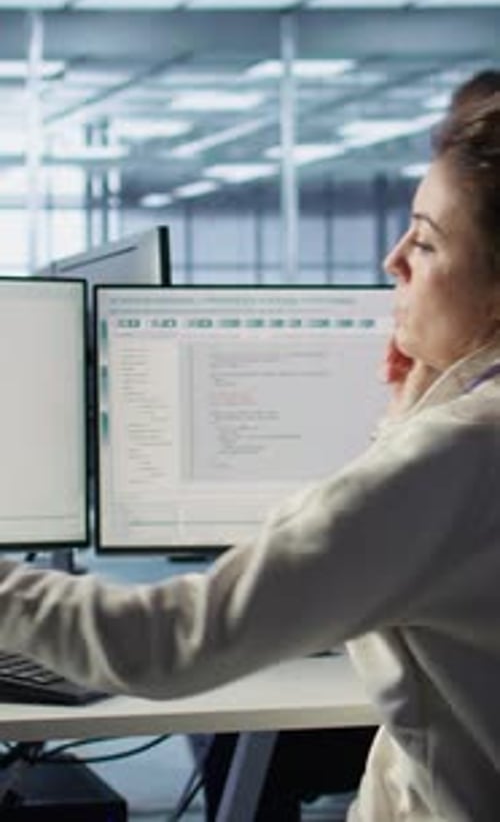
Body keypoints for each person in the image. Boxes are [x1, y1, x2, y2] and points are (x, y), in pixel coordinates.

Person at [2, 79, 500, 821]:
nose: (394, 259)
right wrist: (402, 428)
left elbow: (161, 648)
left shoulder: (454, 453)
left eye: (426, 241)